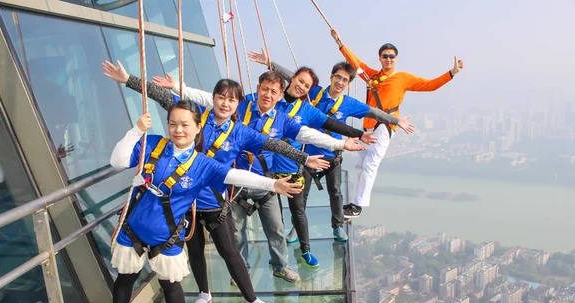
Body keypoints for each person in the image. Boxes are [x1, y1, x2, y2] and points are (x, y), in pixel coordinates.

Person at [102, 61, 328, 303]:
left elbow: (272, 144)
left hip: (213, 202)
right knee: (195, 249)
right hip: (185, 200)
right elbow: (164, 98)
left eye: (231, 100)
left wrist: (304, 158)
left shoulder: (240, 132)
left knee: (230, 251)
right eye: (221, 97)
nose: (225, 104)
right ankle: (204, 293)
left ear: (237, 104)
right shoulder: (197, 116)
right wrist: (128, 80)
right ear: (214, 98)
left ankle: (251, 299)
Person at [109, 101, 304, 303]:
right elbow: (117, 161)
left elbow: (236, 177)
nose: (178, 129)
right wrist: (136, 131)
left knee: (171, 285)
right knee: (126, 279)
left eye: (185, 124)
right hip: (133, 229)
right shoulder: (154, 145)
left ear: (198, 127)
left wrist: (272, 185)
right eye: (172, 124)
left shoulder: (202, 164)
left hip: (165, 236)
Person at [149, 70, 366, 282]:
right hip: (236, 183)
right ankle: (242, 270)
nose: (268, 95)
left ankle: (281, 266)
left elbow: (307, 134)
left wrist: (339, 143)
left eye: (273, 91)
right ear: (258, 89)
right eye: (264, 89)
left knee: (276, 228)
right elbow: (209, 99)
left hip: (265, 181)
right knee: (237, 232)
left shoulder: (282, 120)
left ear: (281, 95)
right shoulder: (240, 106)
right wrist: (180, 88)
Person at [248, 50, 415, 245]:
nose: (340, 82)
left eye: (345, 80)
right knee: (301, 196)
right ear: (331, 77)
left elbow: (374, 112)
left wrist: (395, 121)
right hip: (309, 154)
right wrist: (269, 62)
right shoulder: (315, 92)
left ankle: (337, 226)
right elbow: (292, 78)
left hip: (332, 154)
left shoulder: (348, 103)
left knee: (335, 191)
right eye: (338, 77)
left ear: (348, 83)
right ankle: (297, 228)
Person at [331, 28, 464, 218]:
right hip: (367, 126)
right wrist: (340, 43)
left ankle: (358, 206)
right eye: (385, 56)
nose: (388, 59)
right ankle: (354, 203)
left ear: (396, 58)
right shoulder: (373, 76)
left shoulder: (403, 78)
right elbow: (356, 62)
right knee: (360, 166)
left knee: (370, 164)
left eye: (392, 56)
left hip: (385, 126)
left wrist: (452, 72)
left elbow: (430, 85)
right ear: (380, 58)